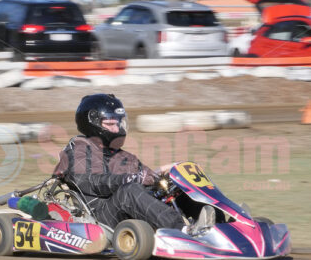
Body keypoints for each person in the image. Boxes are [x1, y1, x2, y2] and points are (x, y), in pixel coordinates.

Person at [52, 93, 215, 234]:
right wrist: (131, 178)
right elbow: (91, 182)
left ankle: (220, 226)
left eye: (118, 123)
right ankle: (184, 231)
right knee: (129, 190)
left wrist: (168, 172)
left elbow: (146, 178)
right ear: (92, 124)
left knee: (176, 186)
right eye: (110, 124)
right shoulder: (78, 151)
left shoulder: (122, 155)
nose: (117, 129)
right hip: (99, 217)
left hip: (125, 210)